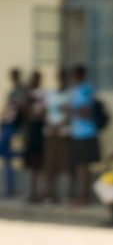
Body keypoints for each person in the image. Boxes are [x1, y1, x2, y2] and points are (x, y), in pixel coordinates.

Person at [68, 64, 100, 206]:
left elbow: (85, 111)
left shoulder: (86, 89)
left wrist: (73, 110)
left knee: (85, 168)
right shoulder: (75, 90)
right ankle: (80, 195)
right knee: (78, 167)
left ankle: (86, 197)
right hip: (76, 133)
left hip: (86, 133)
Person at [42, 68, 72, 203]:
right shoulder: (51, 94)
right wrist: (51, 125)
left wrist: (59, 125)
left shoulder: (70, 95)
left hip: (63, 134)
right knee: (50, 165)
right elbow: (46, 112)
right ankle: (50, 194)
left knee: (66, 164)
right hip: (51, 134)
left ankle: (69, 194)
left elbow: (69, 113)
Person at [0, 67, 28, 198]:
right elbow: (8, 109)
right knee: (6, 156)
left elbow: (22, 108)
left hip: (15, 125)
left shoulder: (22, 90)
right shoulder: (12, 91)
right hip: (8, 124)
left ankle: (21, 154)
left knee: (6, 151)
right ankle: (9, 189)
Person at [21, 70, 47, 203]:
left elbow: (42, 114)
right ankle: (32, 193)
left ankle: (41, 193)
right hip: (31, 133)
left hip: (39, 132)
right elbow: (25, 113)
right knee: (31, 166)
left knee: (40, 165)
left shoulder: (42, 96)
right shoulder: (28, 96)